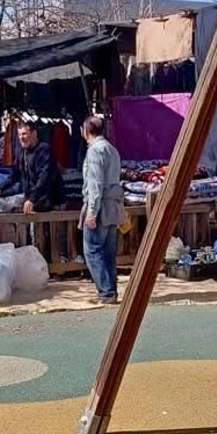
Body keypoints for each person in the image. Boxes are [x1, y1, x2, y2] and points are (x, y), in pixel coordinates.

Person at [80, 115, 123, 303]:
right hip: (112, 205)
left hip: (101, 207)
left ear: (86, 130)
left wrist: (91, 212)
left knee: (93, 251)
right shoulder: (112, 150)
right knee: (108, 252)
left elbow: (95, 184)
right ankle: (111, 290)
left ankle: (106, 292)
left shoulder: (95, 151)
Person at [0, 121, 62, 213]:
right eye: (19, 134)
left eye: (24, 134)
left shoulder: (44, 150)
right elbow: (16, 174)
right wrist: (1, 188)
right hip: (34, 199)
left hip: (50, 201)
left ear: (34, 134)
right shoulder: (23, 152)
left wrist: (32, 199)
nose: (21, 137)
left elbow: (44, 178)